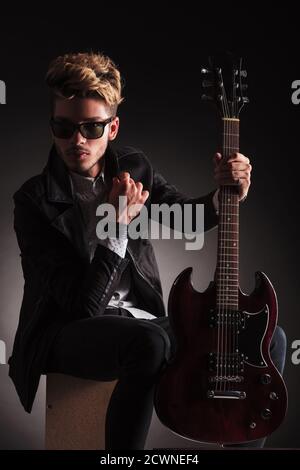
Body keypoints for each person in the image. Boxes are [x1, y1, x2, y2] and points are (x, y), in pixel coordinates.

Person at [8, 52, 286, 450]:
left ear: (113, 126)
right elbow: (82, 307)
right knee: (149, 344)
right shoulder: (34, 201)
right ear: (52, 126)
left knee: (266, 337)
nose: (77, 140)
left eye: (91, 127)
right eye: (64, 127)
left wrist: (227, 195)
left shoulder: (133, 167)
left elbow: (188, 217)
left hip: (140, 320)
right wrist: (118, 224)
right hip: (65, 331)